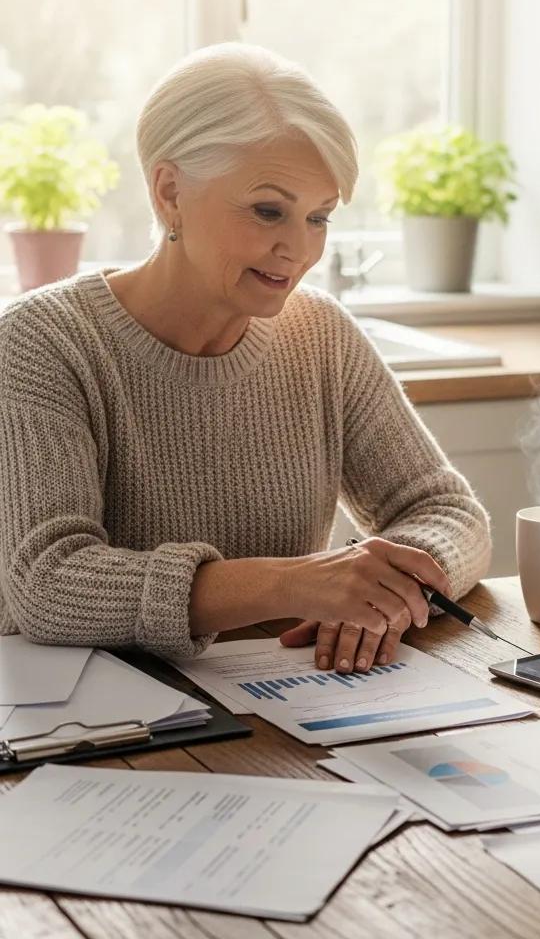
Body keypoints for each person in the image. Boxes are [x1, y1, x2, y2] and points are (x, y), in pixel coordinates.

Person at [0, 43, 491, 675]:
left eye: (319, 217)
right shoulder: (42, 343)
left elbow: (448, 513)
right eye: (268, 211)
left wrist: (391, 588)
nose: (298, 248)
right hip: (89, 730)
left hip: (278, 706)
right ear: (170, 191)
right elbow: (49, 583)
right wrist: (294, 583)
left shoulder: (319, 335)